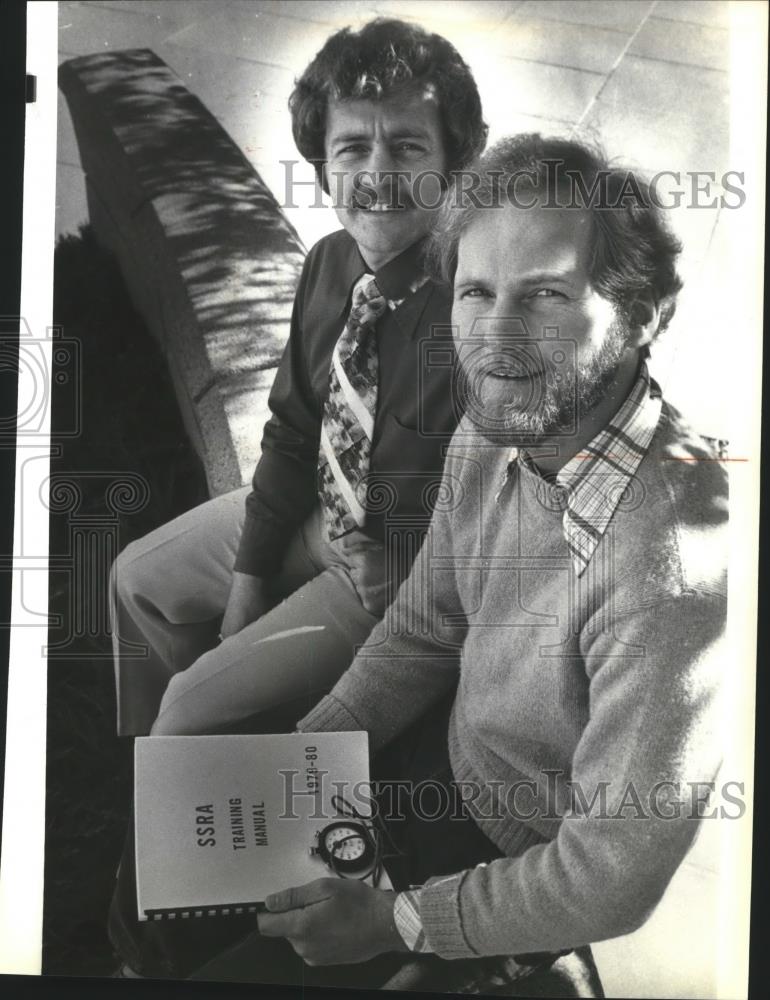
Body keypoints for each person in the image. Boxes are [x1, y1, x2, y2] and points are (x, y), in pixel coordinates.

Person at [171, 135, 726, 993]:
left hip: (515, 858)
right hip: (433, 759)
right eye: (476, 292)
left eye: (546, 294)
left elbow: (610, 873)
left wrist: (401, 923)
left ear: (644, 315)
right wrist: (304, 764)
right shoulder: (497, 424)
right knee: (174, 900)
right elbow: (425, 630)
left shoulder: (671, 575)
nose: (496, 340)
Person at [109, 17, 487, 737]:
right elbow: (290, 431)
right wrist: (249, 583)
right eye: (352, 148)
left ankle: (203, 755)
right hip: (316, 516)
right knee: (137, 579)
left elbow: (503, 506)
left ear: (454, 164)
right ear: (323, 167)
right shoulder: (328, 265)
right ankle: (170, 775)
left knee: (190, 710)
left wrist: (406, 572)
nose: (376, 174)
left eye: (408, 147)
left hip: (387, 578)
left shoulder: (475, 312)